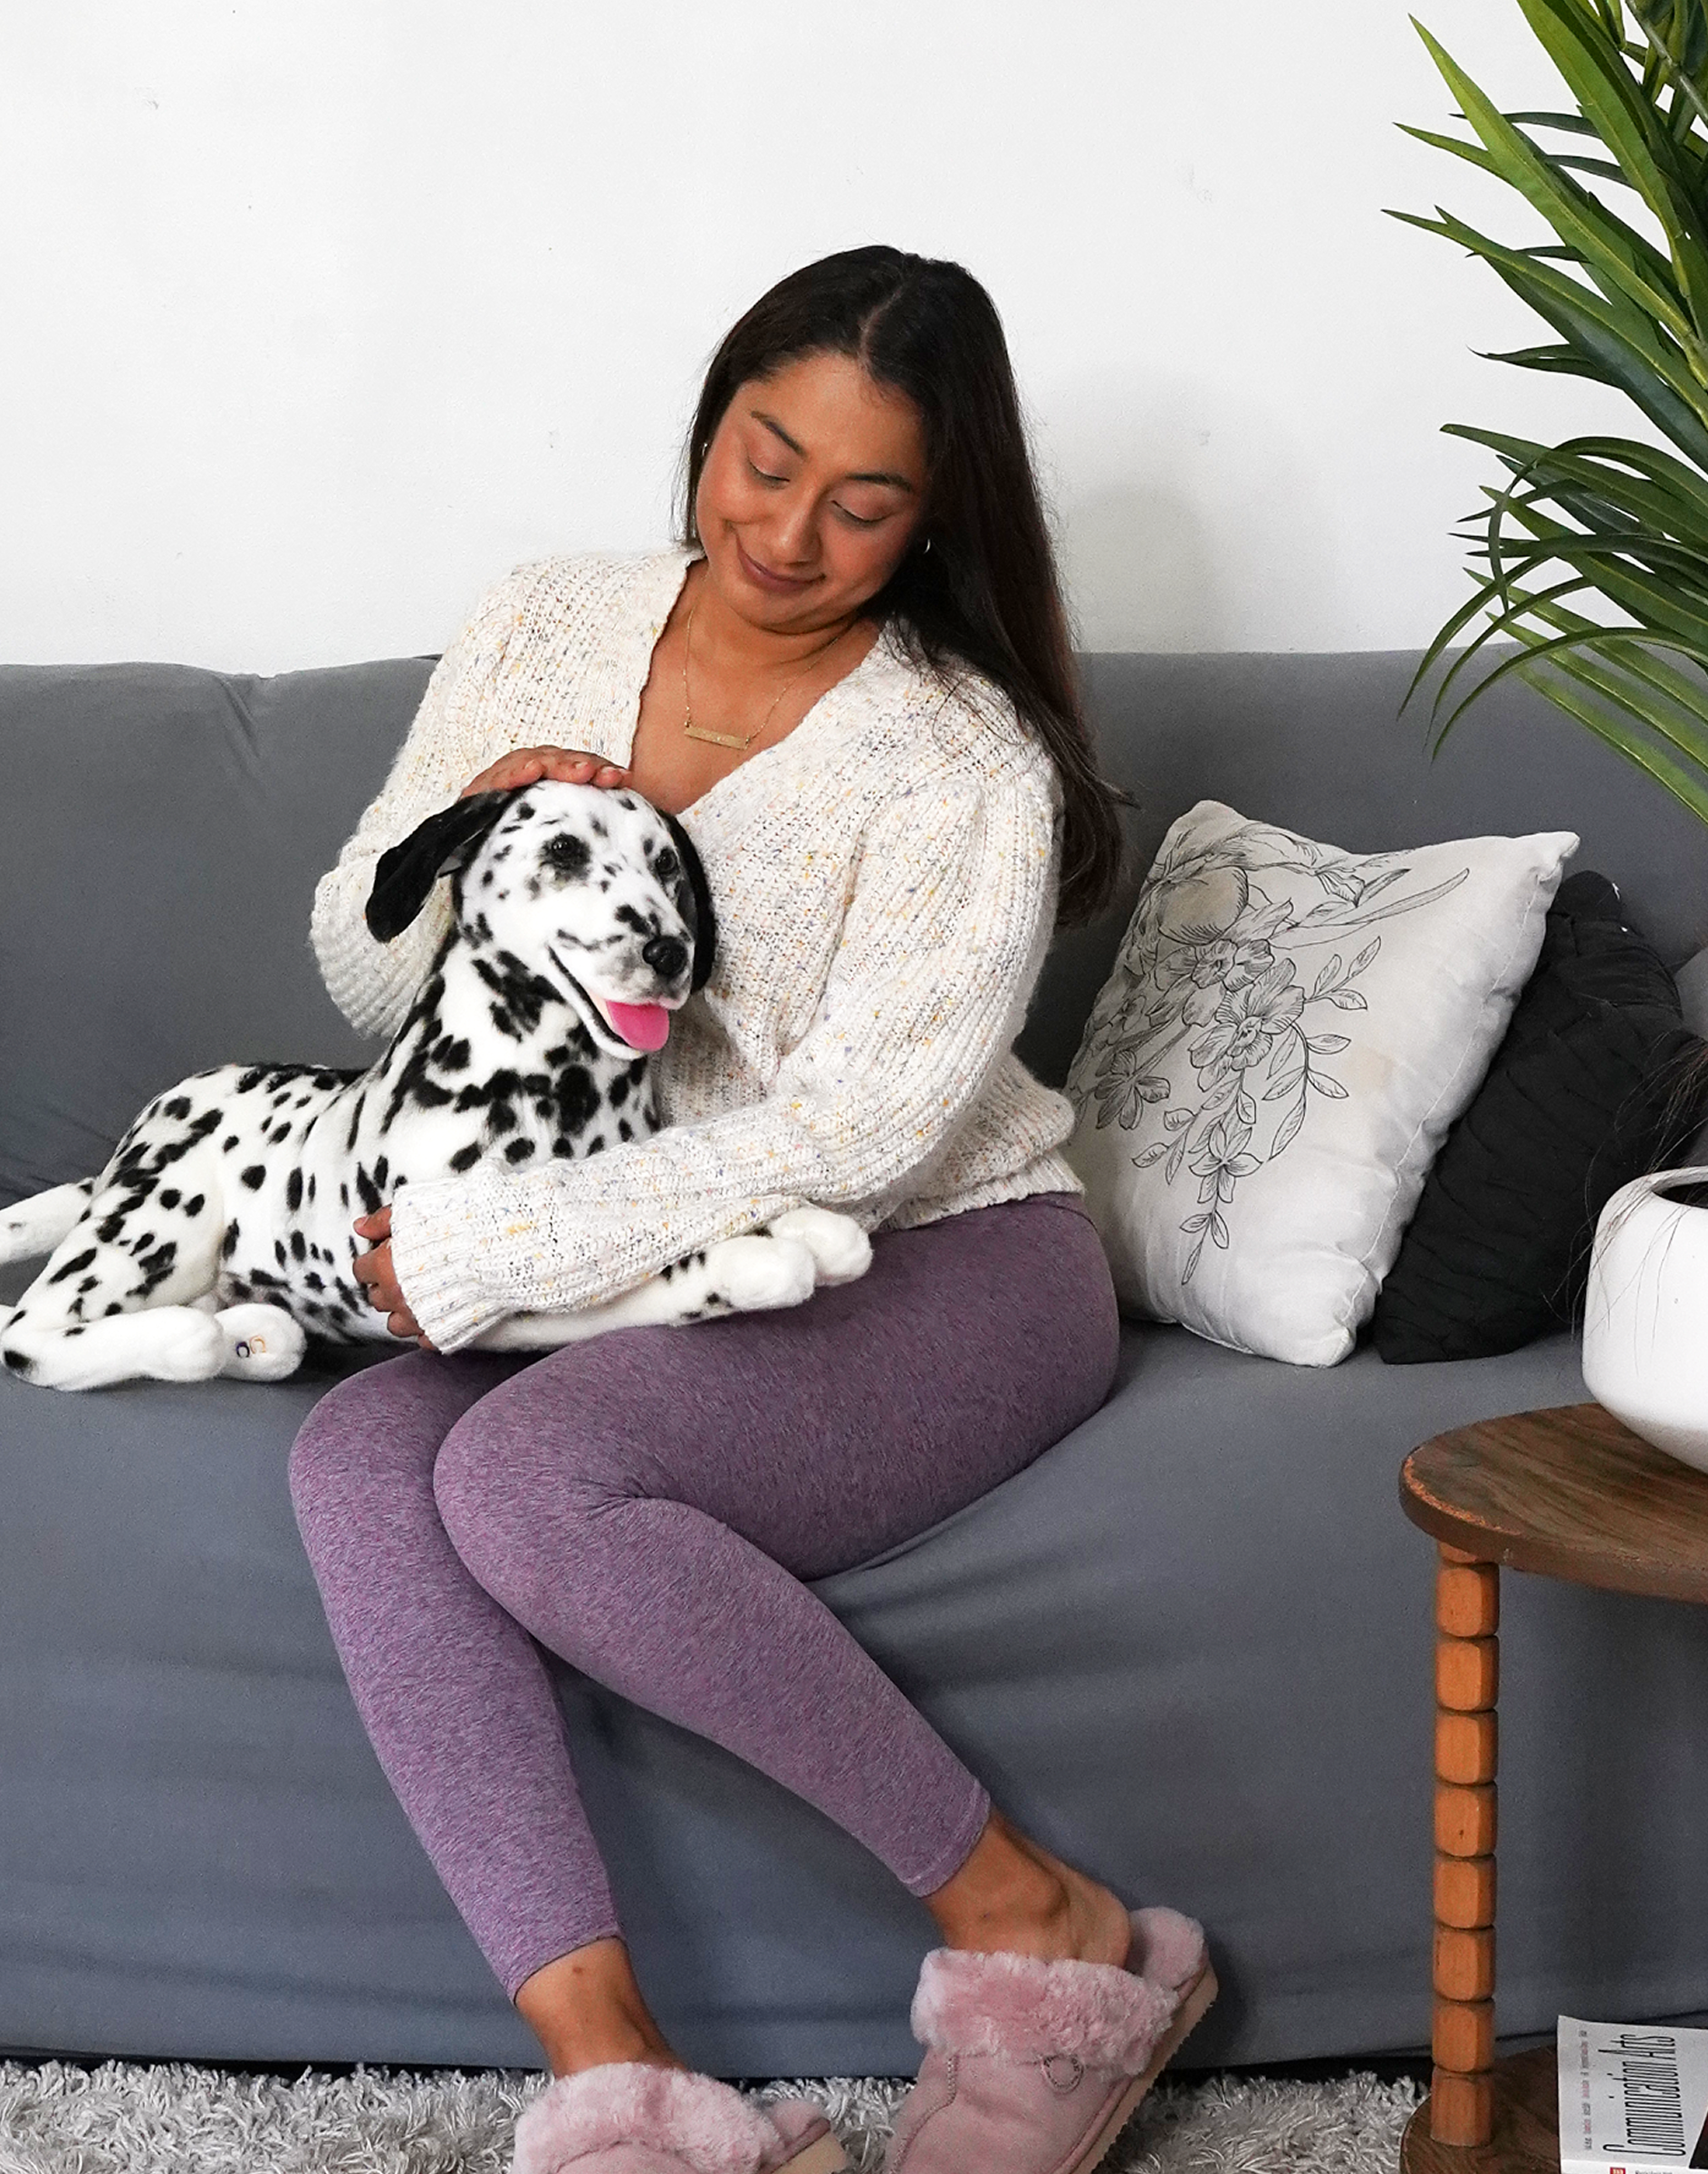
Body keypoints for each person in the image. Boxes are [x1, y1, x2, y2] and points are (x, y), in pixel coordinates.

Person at [287, 245, 1212, 2174]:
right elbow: (368, 990)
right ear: (712, 419)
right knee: (361, 1464)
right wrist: (479, 847)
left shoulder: (964, 760)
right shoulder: (545, 618)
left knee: (525, 1484)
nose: (786, 530)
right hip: (649, 1275)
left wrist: (492, 1252)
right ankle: (624, 2090)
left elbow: (861, 1135)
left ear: (935, 517)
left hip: (950, 1259)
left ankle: (1039, 1921)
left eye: (861, 500)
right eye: (762, 457)